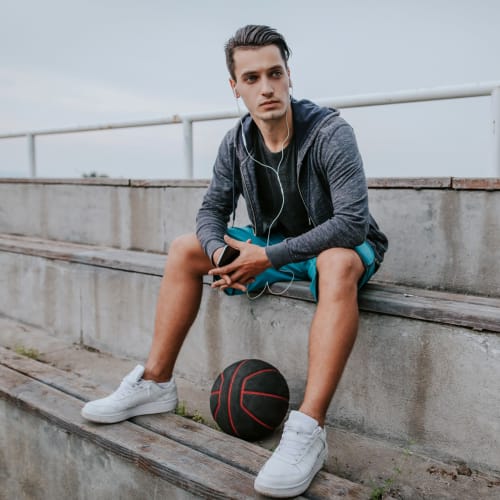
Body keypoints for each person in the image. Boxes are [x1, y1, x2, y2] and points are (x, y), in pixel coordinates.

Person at [82, 24, 388, 498]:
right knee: (188, 246)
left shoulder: (330, 132)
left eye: (274, 73)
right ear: (235, 87)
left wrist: (266, 257)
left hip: (334, 248)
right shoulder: (236, 142)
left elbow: (351, 223)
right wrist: (225, 255)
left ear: (289, 76)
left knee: (336, 264)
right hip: (273, 245)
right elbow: (211, 212)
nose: (266, 87)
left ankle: (308, 428)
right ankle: (156, 384)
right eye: (251, 78)